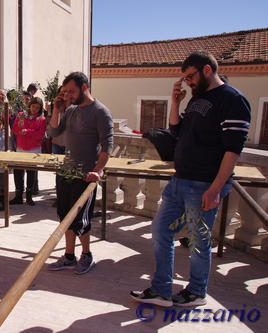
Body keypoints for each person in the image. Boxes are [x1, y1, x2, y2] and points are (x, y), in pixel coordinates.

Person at [130, 51, 251, 307]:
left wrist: (216, 188)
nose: (188, 82)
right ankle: (162, 290)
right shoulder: (197, 99)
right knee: (161, 231)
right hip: (180, 181)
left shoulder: (233, 100)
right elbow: (175, 130)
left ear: (207, 70)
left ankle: (197, 292)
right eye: (185, 78)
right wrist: (175, 101)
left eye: (190, 77)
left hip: (204, 185)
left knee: (198, 241)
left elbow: (233, 151)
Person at [47, 72, 114, 275]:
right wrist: (57, 110)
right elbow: (53, 133)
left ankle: (86, 255)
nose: (67, 95)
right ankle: (69, 256)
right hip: (67, 171)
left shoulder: (101, 111)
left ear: (84, 87)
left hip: (85, 174)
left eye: (71, 91)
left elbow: (108, 146)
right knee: (65, 216)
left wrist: (98, 171)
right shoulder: (71, 110)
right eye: (65, 91)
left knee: (81, 220)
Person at [10, 96, 47, 206]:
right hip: (21, 147)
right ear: (29, 106)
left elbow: (40, 135)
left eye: (37, 107)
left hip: (34, 148)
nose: (34, 109)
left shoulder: (42, 119)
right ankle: (18, 196)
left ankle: (29, 196)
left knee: (31, 172)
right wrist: (19, 130)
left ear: (40, 109)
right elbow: (14, 129)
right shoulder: (21, 115)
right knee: (18, 172)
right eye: (33, 106)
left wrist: (27, 131)